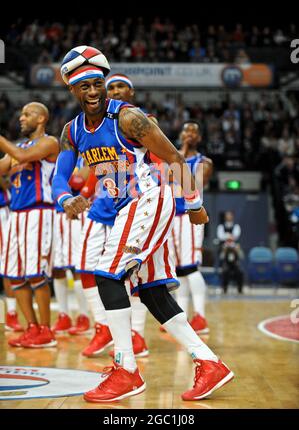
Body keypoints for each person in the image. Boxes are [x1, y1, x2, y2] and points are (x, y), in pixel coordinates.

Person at [52, 46, 234, 403]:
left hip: (148, 199)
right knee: (151, 291)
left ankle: (127, 370)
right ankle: (210, 363)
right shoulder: (71, 131)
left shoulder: (128, 118)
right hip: (126, 208)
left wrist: (195, 204)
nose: (92, 92)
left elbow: (175, 157)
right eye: (84, 86)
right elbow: (60, 177)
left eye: (97, 84)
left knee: (106, 274)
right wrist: (65, 198)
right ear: (71, 90)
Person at [76, 74, 151, 358]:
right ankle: (102, 326)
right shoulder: (93, 125)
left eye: (122, 86)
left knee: (134, 273)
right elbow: (86, 171)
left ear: (131, 91)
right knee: (84, 267)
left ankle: (137, 334)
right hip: (101, 207)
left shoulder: (141, 120)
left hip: (133, 207)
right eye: (112, 87)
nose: (116, 90)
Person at [0, 102, 59, 347]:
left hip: (38, 212)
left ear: (42, 118)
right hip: (16, 214)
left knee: (36, 274)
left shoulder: (49, 143)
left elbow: (22, 157)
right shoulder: (18, 147)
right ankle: (31, 328)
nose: (21, 118)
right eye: (21, 113)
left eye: (28, 114)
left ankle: (46, 331)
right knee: (14, 275)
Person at [171, 121, 213, 334]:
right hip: (172, 218)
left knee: (190, 267)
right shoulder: (170, 157)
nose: (189, 134)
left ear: (199, 138)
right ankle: (182, 317)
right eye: (186, 130)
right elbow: (167, 178)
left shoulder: (204, 162)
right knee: (179, 270)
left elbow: (192, 185)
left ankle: (201, 317)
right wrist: (180, 154)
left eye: (194, 131)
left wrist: (183, 153)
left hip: (191, 217)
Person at [51, 156, 91, 336]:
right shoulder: (63, 158)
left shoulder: (87, 157)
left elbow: (77, 181)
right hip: (57, 213)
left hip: (76, 214)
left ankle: (84, 316)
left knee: (77, 266)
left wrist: (61, 182)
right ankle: (63, 315)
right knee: (57, 268)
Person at [0, 176, 23, 331]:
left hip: (7, 210)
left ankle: (11, 314)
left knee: (8, 262)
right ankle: (11, 314)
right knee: (7, 262)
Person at [216, 211, 244, 293]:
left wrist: (229, 238)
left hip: (234, 253)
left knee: (240, 272)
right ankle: (224, 288)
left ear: (232, 217)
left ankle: (240, 289)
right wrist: (228, 238)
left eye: (230, 216)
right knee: (225, 271)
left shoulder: (236, 226)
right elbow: (221, 237)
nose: (229, 217)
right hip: (225, 253)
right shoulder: (221, 227)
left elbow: (235, 236)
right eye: (227, 216)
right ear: (225, 217)